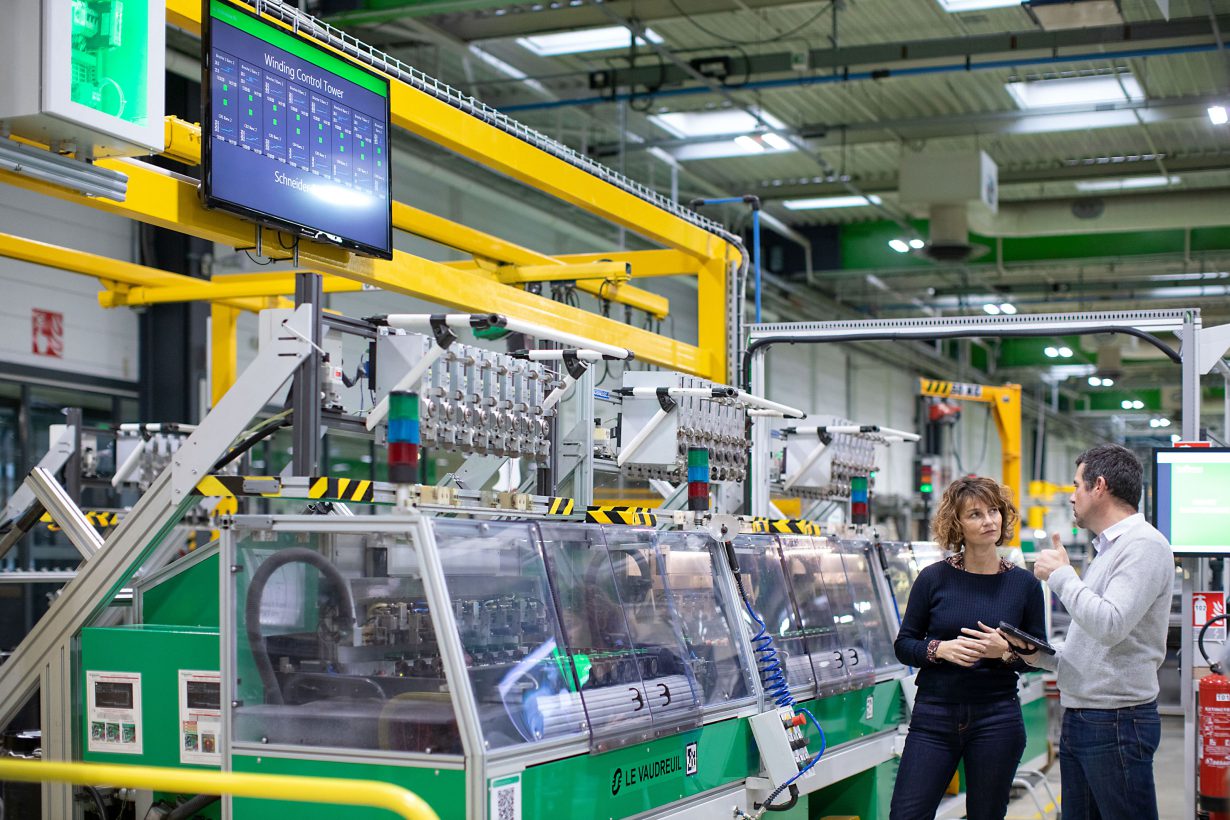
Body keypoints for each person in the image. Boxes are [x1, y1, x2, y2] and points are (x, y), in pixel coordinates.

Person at [1002, 443, 1173, 820]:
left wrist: (1062, 576)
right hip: (1084, 714)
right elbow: (1097, 642)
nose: (1071, 495)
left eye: (1076, 485)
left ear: (1099, 486)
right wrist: (1039, 655)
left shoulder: (1144, 546)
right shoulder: (1108, 550)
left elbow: (1110, 625)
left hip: (1115, 720)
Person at [891, 476, 1046, 820]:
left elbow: (1039, 658)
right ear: (956, 524)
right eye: (975, 514)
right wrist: (938, 649)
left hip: (997, 716)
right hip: (934, 715)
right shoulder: (933, 578)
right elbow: (904, 644)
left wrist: (1004, 653)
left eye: (994, 511)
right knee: (906, 814)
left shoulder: (1024, 585)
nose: (989, 521)